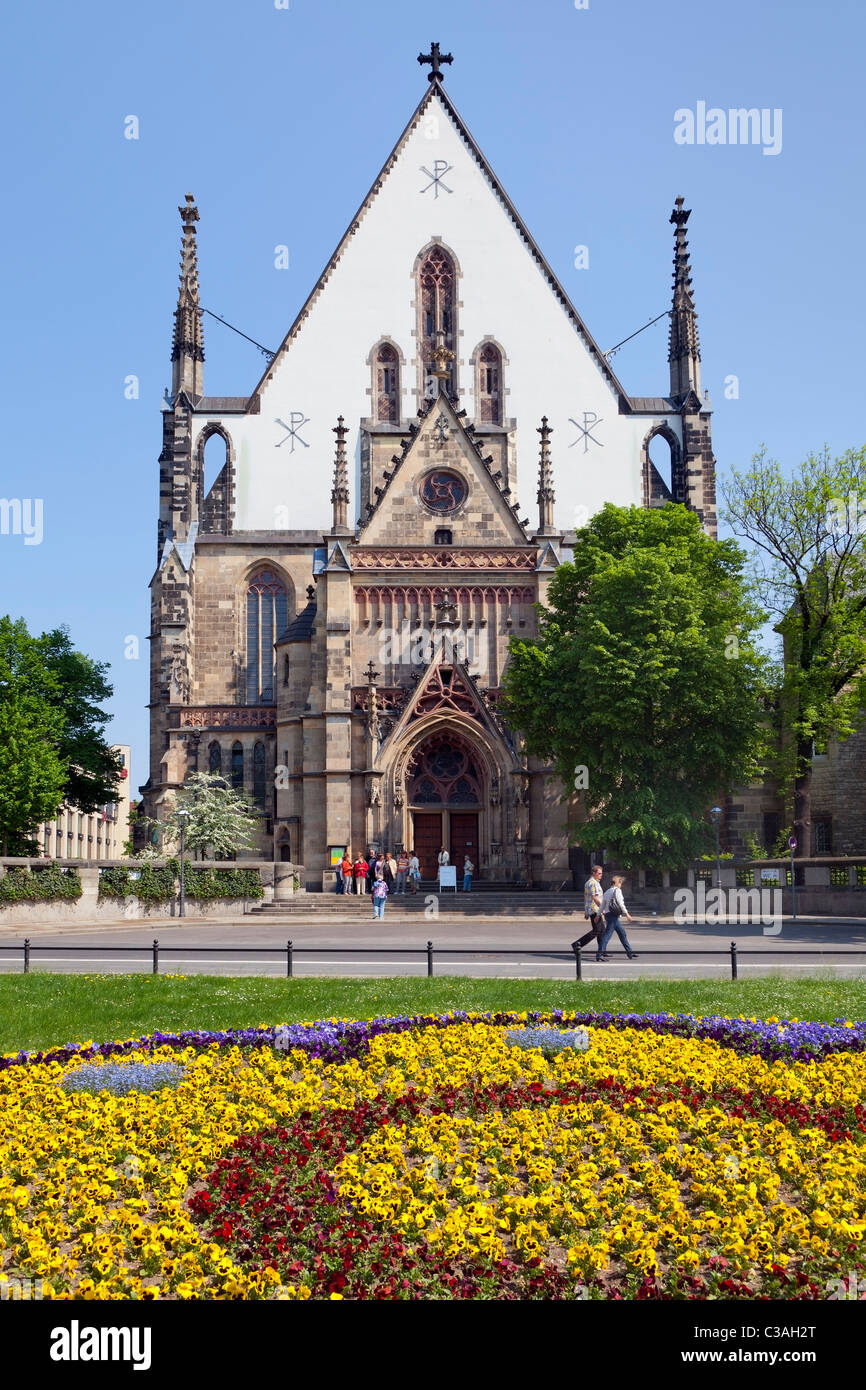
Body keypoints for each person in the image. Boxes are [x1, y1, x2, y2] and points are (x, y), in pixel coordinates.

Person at [598, 875, 639, 961]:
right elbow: (621, 903)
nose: (621, 885)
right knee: (607, 935)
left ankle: (630, 953)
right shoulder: (617, 891)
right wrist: (627, 914)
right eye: (620, 883)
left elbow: (602, 905)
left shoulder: (607, 892)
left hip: (609, 915)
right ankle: (599, 955)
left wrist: (598, 915)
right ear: (617, 883)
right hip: (613, 916)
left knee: (622, 933)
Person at [571, 864, 606, 953]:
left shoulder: (589, 882)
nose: (601, 875)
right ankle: (577, 944)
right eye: (599, 873)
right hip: (595, 910)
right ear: (593, 873)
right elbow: (594, 898)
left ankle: (602, 951)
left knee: (601, 931)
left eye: (601, 873)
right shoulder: (593, 883)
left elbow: (587, 899)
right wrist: (602, 908)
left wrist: (586, 912)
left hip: (593, 909)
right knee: (597, 930)